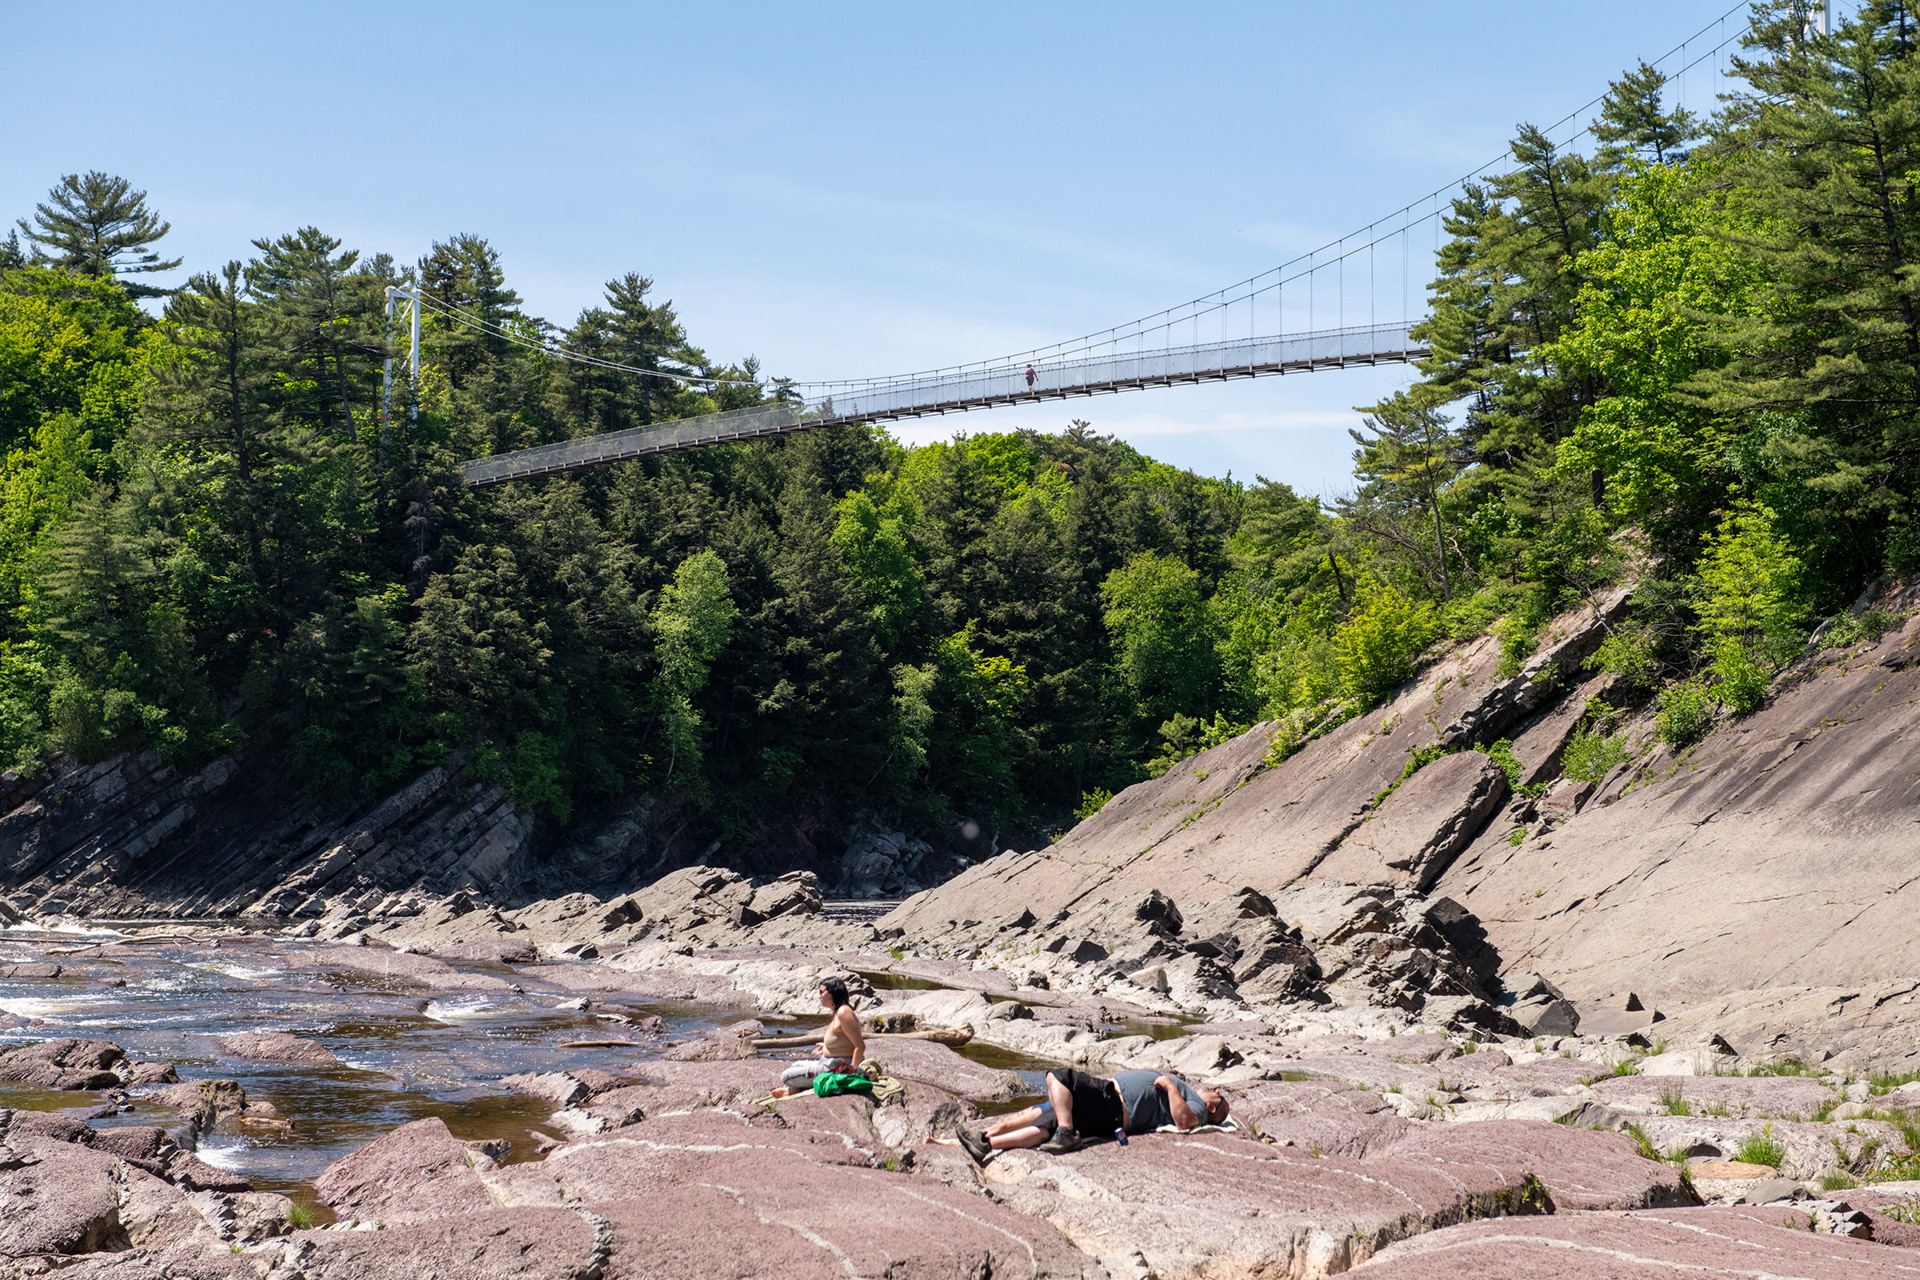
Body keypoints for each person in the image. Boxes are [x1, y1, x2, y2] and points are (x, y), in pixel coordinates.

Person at [957, 1068, 1227, 1162]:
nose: (1216, 1090)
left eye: (1219, 1095)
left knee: (1059, 1076)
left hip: (1111, 1102)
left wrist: (1169, 1085)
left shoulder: (1199, 1108)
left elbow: (1186, 1123)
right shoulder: (1190, 1095)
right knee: (1044, 1127)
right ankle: (986, 1143)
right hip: (1108, 1108)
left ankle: (1066, 1132)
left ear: (1213, 1107)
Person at [770, 977, 865, 1097]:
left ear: (833, 992)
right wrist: (826, 1047)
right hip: (829, 1062)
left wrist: (851, 1073)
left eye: (822, 992)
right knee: (796, 1065)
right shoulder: (837, 1012)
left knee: (786, 1076)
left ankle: (794, 1090)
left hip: (839, 1067)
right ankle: (799, 1087)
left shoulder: (843, 1013)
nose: (819, 996)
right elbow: (843, 1041)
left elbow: (859, 1046)